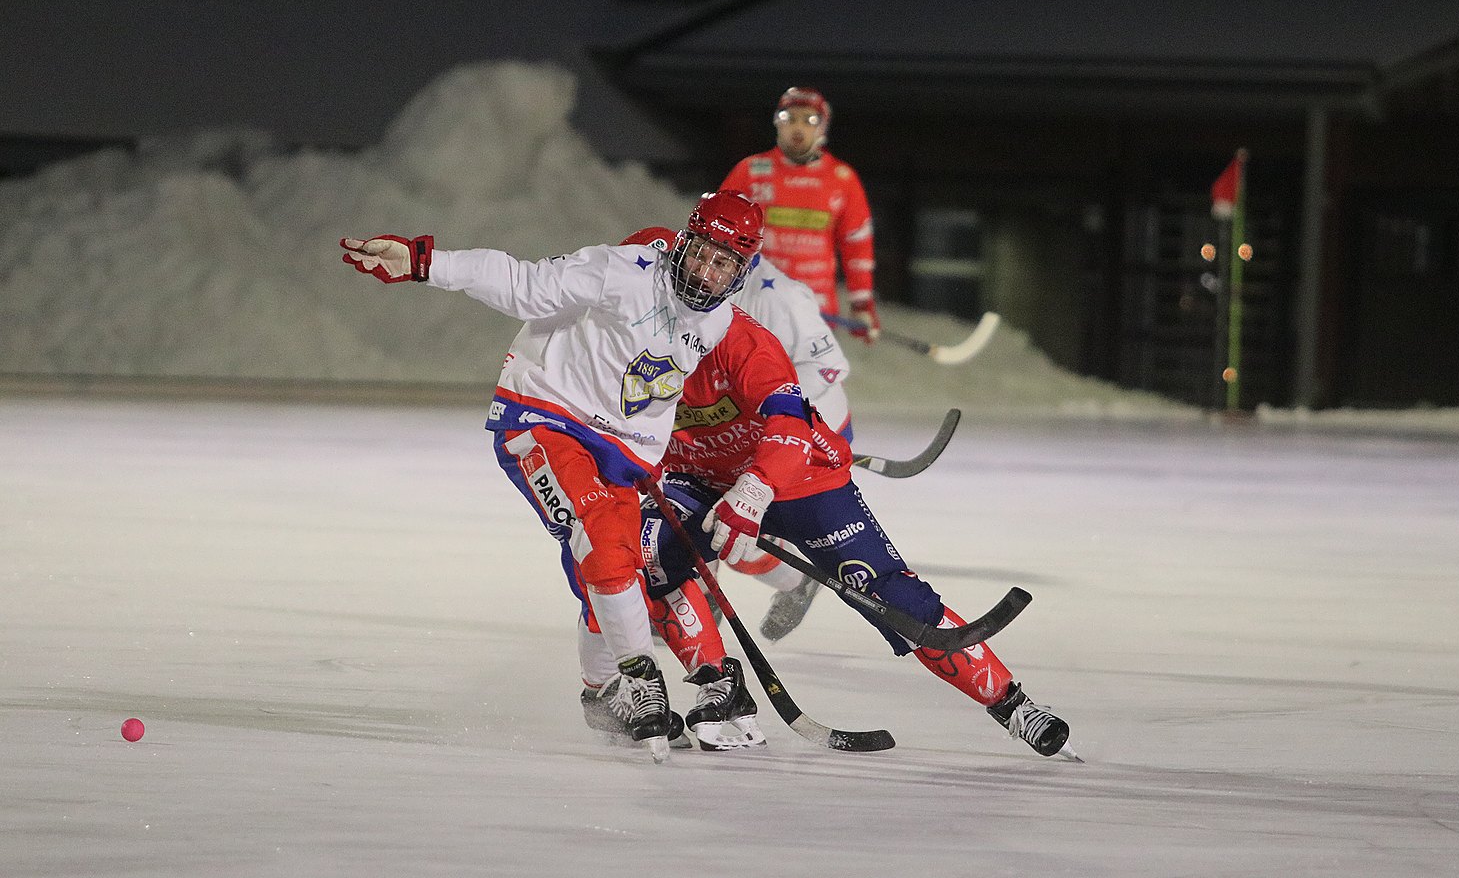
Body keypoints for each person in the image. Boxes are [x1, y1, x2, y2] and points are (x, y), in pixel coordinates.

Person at [338, 190, 767, 763]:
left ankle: (601, 694)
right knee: (604, 541)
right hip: (544, 419)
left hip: (616, 451)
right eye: (702, 255)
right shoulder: (627, 271)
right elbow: (523, 283)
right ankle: (639, 680)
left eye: (724, 265)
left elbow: (655, 396)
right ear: (684, 243)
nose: (705, 273)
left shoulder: (715, 321)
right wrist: (425, 263)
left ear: (740, 272)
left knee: (610, 564)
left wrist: (652, 460)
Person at [640, 267, 1079, 760]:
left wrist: (755, 489)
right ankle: (718, 688)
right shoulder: (623, 328)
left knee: (890, 592)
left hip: (798, 474)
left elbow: (793, 415)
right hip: (697, 475)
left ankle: (1013, 705)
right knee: (652, 554)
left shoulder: (748, 334)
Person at [623, 226, 845, 641]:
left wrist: (773, 426)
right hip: (725, 431)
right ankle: (713, 589)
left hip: (800, 425)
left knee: (733, 535)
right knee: (711, 529)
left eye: (724, 260)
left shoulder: (779, 297)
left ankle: (795, 581)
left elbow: (826, 372)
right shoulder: (677, 297)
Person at [719, 86, 881, 343]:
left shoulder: (843, 179)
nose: (798, 128)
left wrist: (861, 303)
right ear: (777, 123)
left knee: (809, 383)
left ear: (823, 127)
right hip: (754, 307)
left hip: (816, 312)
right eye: (789, 118)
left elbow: (857, 245)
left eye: (809, 120)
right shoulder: (750, 172)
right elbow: (716, 234)